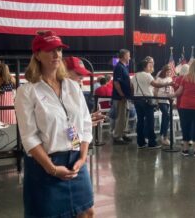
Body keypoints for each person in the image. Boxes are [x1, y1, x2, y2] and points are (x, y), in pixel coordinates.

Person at [14, 30, 94, 218]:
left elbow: (85, 123)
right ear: (37, 55)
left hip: (75, 160)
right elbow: (29, 137)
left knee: (86, 212)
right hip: (46, 165)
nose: (56, 54)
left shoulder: (72, 86)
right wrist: (51, 168)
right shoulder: (27, 92)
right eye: (50, 50)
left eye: (59, 49)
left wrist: (82, 157)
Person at [131, 60, 171, 149]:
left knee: (140, 121)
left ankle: (140, 142)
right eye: (149, 66)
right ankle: (152, 142)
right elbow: (156, 85)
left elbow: (132, 88)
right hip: (147, 100)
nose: (151, 67)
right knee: (150, 121)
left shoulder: (135, 76)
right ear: (144, 67)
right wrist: (168, 83)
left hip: (137, 100)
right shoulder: (147, 75)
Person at [65, 56, 105, 128]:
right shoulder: (54, 94)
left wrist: (87, 118)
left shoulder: (77, 90)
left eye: (82, 74)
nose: (82, 77)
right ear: (64, 72)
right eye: (78, 73)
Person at [111, 49, 132, 145]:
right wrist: (121, 94)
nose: (130, 58)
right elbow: (116, 82)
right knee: (121, 116)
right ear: (124, 56)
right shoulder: (119, 67)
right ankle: (117, 137)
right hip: (120, 97)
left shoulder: (124, 67)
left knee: (125, 116)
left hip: (125, 96)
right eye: (128, 56)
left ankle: (123, 134)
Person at [154, 65, 174, 146]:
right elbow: (155, 90)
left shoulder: (170, 78)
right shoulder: (159, 79)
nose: (169, 73)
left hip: (168, 100)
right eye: (167, 71)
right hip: (161, 100)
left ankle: (162, 134)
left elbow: (171, 89)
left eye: (170, 72)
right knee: (167, 115)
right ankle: (165, 136)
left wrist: (172, 96)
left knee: (165, 117)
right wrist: (157, 101)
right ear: (164, 71)